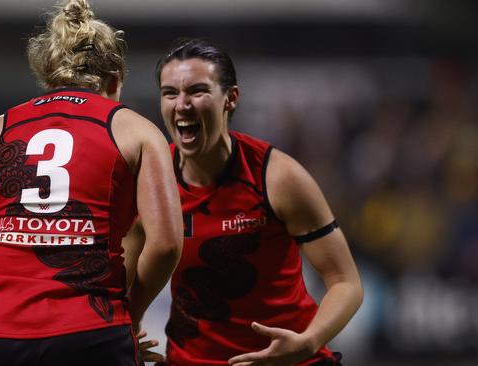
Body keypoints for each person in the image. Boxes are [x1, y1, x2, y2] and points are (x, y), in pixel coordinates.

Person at [0, 1, 183, 365]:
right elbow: (165, 244)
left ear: (46, 77)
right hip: (92, 331)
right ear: (115, 79)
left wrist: (3, 299)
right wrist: (129, 315)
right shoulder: (137, 131)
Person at [129, 38, 363, 366]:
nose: (182, 104)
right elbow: (121, 280)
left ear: (231, 98)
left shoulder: (278, 178)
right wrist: (124, 330)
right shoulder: (149, 183)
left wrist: (309, 341)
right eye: (170, 93)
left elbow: (345, 282)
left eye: (197, 91)